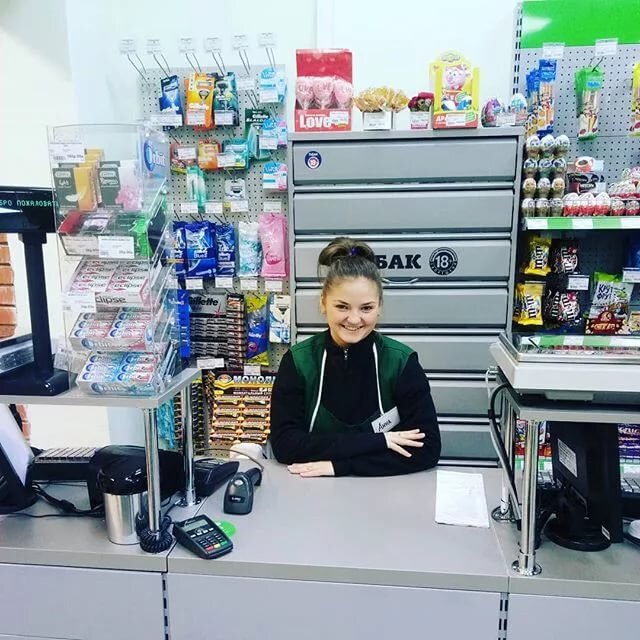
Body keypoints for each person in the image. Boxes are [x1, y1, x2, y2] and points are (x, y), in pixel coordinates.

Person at [269, 237, 441, 477]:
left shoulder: (401, 363)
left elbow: (427, 449)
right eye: (342, 306)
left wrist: (339, 466)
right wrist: (380, 441)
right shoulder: (299, 362)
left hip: (386, 491)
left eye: (366, 308)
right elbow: (285, 445)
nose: (353, 319)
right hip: (311, 489)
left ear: (380, 307)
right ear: (323, 303)